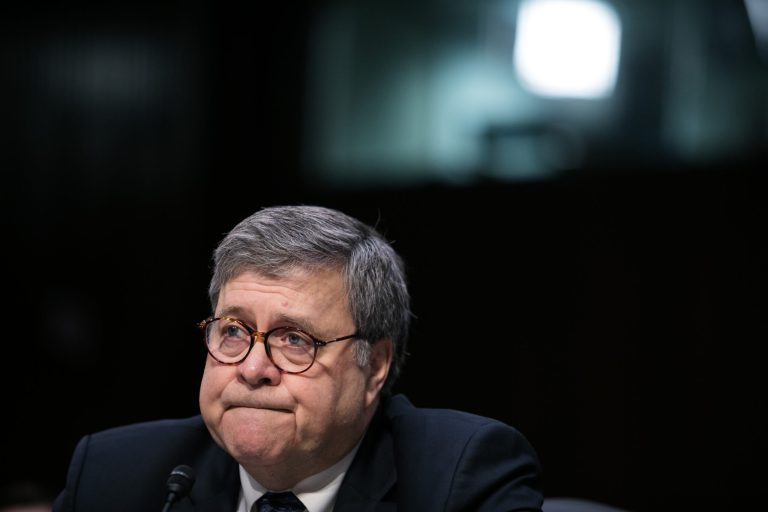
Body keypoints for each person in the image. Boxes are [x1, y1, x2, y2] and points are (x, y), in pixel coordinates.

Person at [53, 205, 543, 511]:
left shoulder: (458, 480)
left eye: (295, 340)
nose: (251, 368)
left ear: (373, 365)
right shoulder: (113, 476)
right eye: (233, 331)